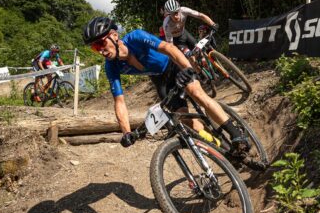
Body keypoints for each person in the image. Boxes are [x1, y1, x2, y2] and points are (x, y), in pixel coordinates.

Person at [82, 16, 249, 152]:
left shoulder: (136, 37)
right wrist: (126, 132)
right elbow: (119, 101)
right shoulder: (111, 66)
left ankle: (237, 134)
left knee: (196, 93)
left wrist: (188, 68)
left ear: (114, 35)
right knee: (184, 120)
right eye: (95, 48)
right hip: (160, 80)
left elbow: (169, 48)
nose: (100, 50)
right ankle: (222, 146)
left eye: (100, 43)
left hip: (173, 65)